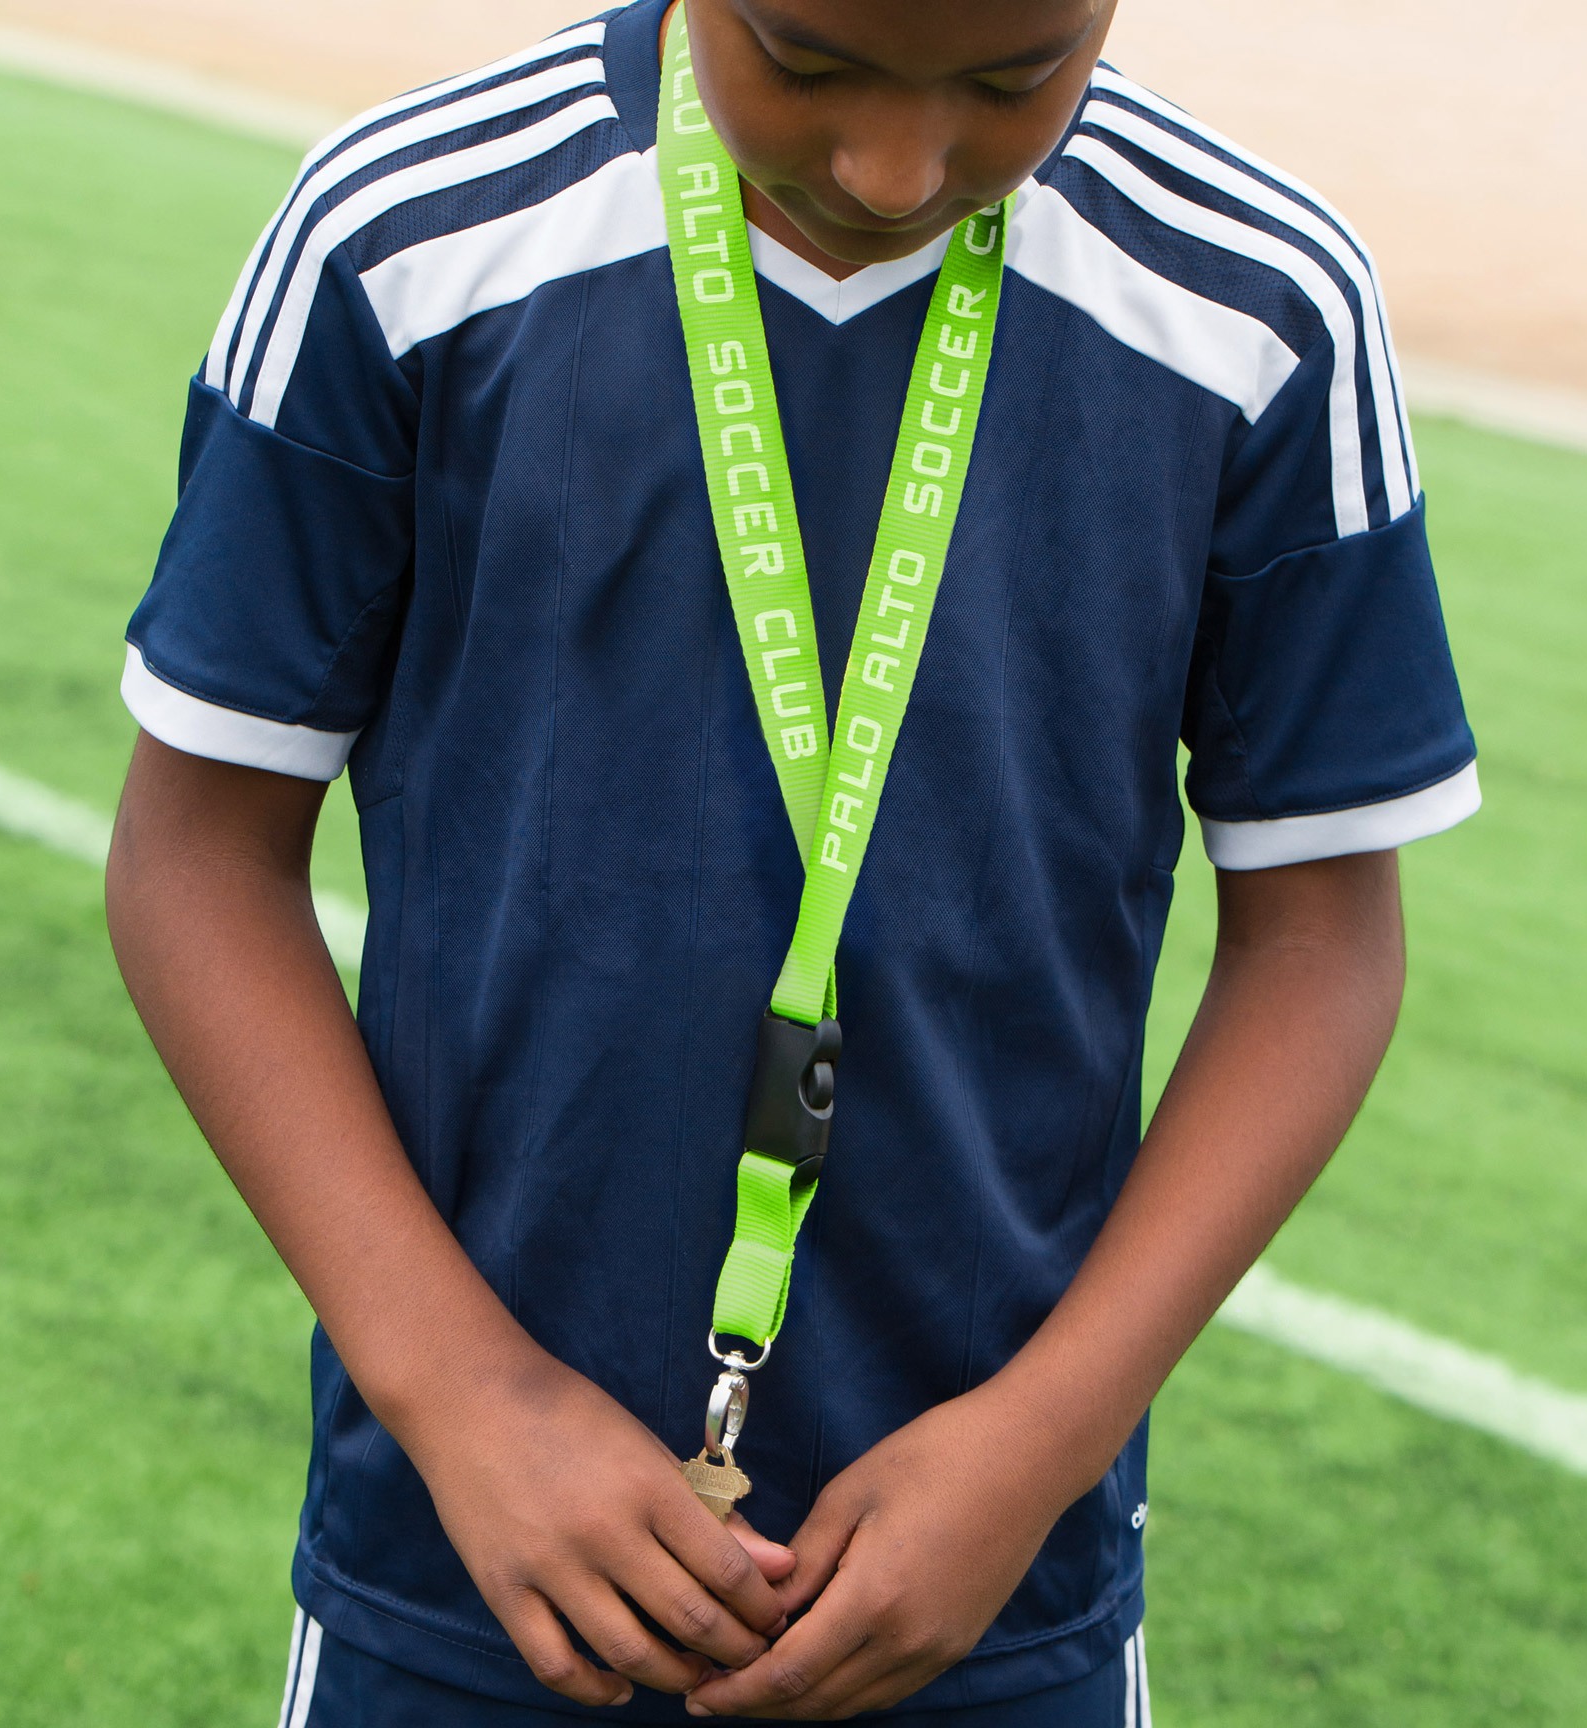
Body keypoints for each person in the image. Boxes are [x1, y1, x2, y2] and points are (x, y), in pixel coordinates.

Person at [105, 0, 1477, 1720]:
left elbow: (1319, 945)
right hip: (474, 1555)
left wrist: (1039, 1442)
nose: (895, 169)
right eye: (810, 64)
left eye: (1010, 82)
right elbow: (197, 858)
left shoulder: (1260, 305)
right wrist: (464, 1397)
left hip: (989, 1587)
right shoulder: (402, 235)